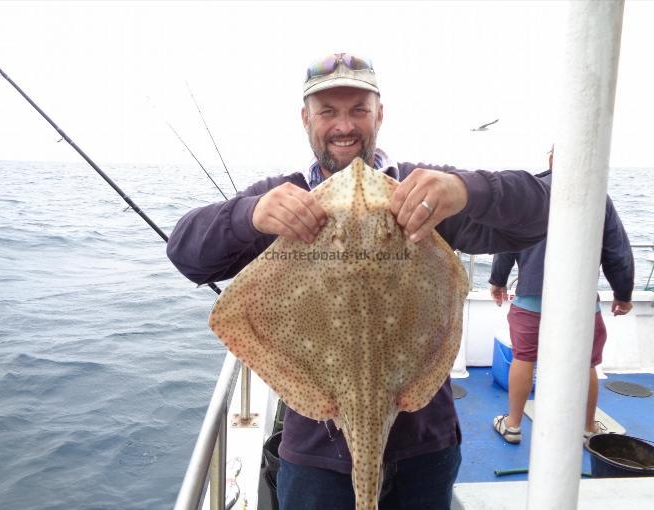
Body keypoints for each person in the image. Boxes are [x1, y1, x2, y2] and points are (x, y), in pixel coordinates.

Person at [167, 53, 551, 509]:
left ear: (379, 115)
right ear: (306, 119)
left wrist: (465, 190)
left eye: (358, 110)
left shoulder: (420, 193)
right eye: (328, 111)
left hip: (425, 450)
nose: (343, 125)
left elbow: (547, 211)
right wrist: (248, 215)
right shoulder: (281, 198)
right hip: (316, 461)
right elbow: (186, 254)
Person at [489, 147, 634, 445]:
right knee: (586, 364)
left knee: (524, 358)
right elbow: (616, 251)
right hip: (580, 304)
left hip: (531, 298)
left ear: (552, 159)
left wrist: (498, 280)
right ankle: (588, 428)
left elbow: (507, 242)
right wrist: (623, 293)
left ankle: (513, 425)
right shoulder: (599, 197)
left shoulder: (528, 195)